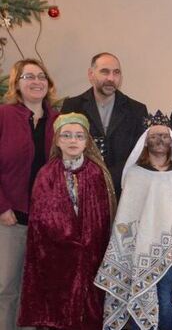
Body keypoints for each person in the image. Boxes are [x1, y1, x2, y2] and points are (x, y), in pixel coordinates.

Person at [94, 112, 172, 330]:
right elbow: (127, 214)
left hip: (171, 252)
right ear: (145, 142)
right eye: (154, 137)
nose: (160, 141)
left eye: (164, 137)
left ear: (171, 142)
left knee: (166, 298)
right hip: (139, 249)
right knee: (139, 294)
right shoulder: (135, 174)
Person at [17, 113, 116, 329]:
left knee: (88, 309)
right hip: (55, 257)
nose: (73, 141)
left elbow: (102, 218)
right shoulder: (46, 174)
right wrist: (66, 239)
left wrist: (87, 243)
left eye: (79, 136)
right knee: (57, 310)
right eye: (67, 136)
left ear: (87, 141)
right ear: (57, 140)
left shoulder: (96, 173)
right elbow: (41, 220)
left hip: (90, 256)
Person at [0, 59, 59, 330]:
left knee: (37, 291)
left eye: (41, 76)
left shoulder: (59, 122)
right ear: (17, 83)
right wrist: (1, 206)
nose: (36, 81)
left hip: (46, 221)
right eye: (28, 76)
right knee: (6, 288)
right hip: (9, 217)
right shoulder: (4, 115)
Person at [61, 52, 148, 198]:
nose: (111, 78)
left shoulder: (137, 110)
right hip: (82, 191)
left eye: (116, 73)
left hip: (123, 192)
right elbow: (64, 150)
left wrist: (109, 179)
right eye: (105, 72)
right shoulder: (72, 107)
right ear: (91, 74)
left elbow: (139, 154)